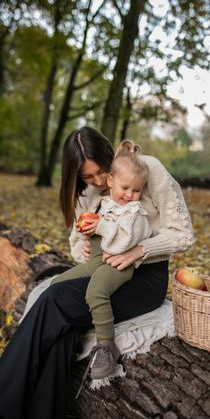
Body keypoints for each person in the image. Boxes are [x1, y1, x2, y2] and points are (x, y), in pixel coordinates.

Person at [0, 127, 195, 419]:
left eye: (102, 171)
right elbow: (77, 245)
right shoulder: (88, 190)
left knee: (54, 299)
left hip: (143, 278)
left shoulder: (146, 170)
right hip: (102, 269)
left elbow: (183, 235)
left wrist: (136, 250)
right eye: (88, 177)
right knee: (62, 328)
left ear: (111, 157)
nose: (99, 181)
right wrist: (88, 251)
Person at [50, 144, 151, 380]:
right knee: (58, 285)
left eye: (137, 190)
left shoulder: (135, 213)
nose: (129, 195)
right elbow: (93, 234)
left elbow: (127, 240)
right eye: (125, 187)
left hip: (118, 265)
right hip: (96, 261)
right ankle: (70, 335)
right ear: (111, 181)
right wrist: (86, 231)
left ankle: (107, 345)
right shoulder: (104, 204)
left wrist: (102, 226)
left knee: (95, 291)